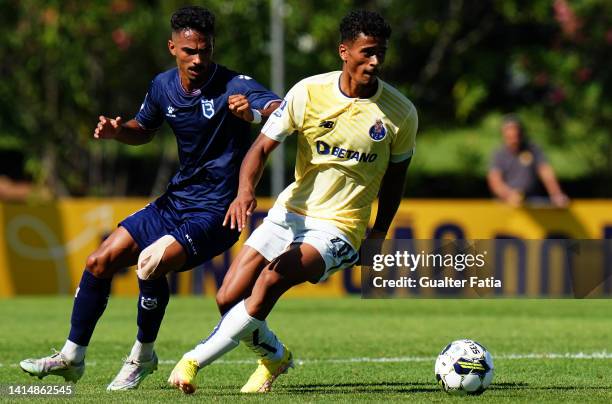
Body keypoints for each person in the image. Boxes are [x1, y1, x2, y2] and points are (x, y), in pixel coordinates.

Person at [19, 6, 280, 391]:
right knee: (98, 261)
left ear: (212, 48)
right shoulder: (162, 86)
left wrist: (255, 113)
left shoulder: (233, 85)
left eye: (204, 51)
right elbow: (144, 129)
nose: (197, 59)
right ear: (172, 47)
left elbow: (280, 109)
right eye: (189, 51)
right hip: (176, 201)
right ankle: (72, 357)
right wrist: (118, 130)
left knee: (151, 262)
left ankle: (142, 356)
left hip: (217, 211)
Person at [166, 9, 418, 394]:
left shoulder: (401, 113)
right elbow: (261, 147)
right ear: (344, 51)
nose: (375, 62)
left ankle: (193, 360)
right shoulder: (308, 92)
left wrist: (379, 231)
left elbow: (396, 179)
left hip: (340, 227)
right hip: (290, 212)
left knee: (270, 281)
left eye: (381, 53)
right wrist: (245, 191)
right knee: (228, 297)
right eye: (367, 52)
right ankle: (275, 356)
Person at [487, 115, 569, 207]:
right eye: (509, 130)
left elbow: (545, 172)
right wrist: (508, 194)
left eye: (516, 130)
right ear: (503, 133)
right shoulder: (499, 154)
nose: (513, 133)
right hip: (506, 203)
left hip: (532, 200)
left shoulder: (532, 149)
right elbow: (495, 180)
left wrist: (556, 194)